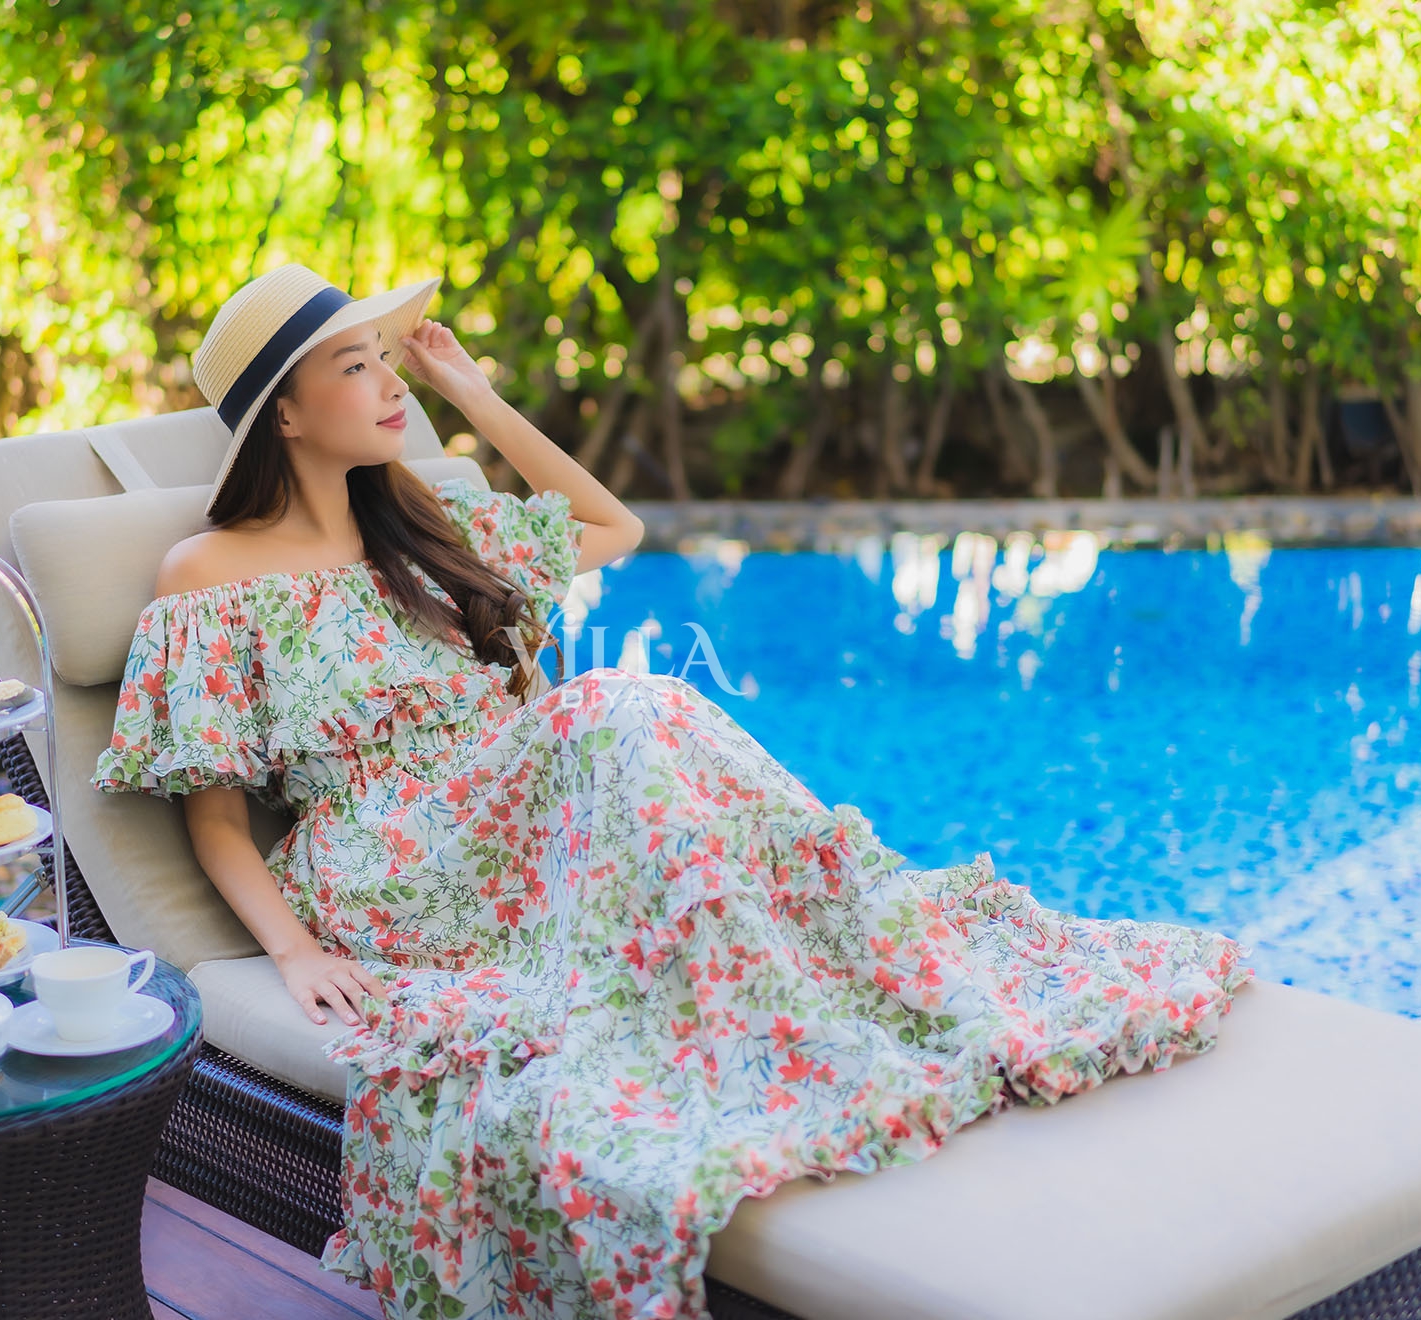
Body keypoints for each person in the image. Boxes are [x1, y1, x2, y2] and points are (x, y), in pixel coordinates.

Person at [94, 263, 1252, 1320]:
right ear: (284, 414)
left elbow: (614, 526)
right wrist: (294, 953)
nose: (390, 381)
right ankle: (806, 992)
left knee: (629, 714)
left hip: (522, 818)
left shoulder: (428, 526)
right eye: (358, 366)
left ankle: (829, 960)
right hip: (387, 861)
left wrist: (472, 395)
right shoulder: (210, 578)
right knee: (620, 707)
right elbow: (214, 818)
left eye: (386, 356)